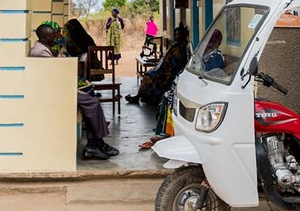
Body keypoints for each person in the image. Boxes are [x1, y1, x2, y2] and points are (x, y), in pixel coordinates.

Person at [29, 23, 119, 160]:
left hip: (59, 87)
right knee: (92, 103)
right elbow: (54, 74)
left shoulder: (43, 47)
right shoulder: (41, 52)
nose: (55, 38)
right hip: (56, 90)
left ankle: (95, 144)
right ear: (43, 38)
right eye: (52, 36)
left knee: (90, 102)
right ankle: (95, 144)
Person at [125, 25, 190, 105]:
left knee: (148, 77)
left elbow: (175, 63)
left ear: (183, 35)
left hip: (169, 73)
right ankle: (142, 96)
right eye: (175, 34)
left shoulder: (182, 47)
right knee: (149, 74)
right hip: (164, 70)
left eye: (178, 34)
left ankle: (138, 97)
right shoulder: (176, 45)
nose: (176, 36)